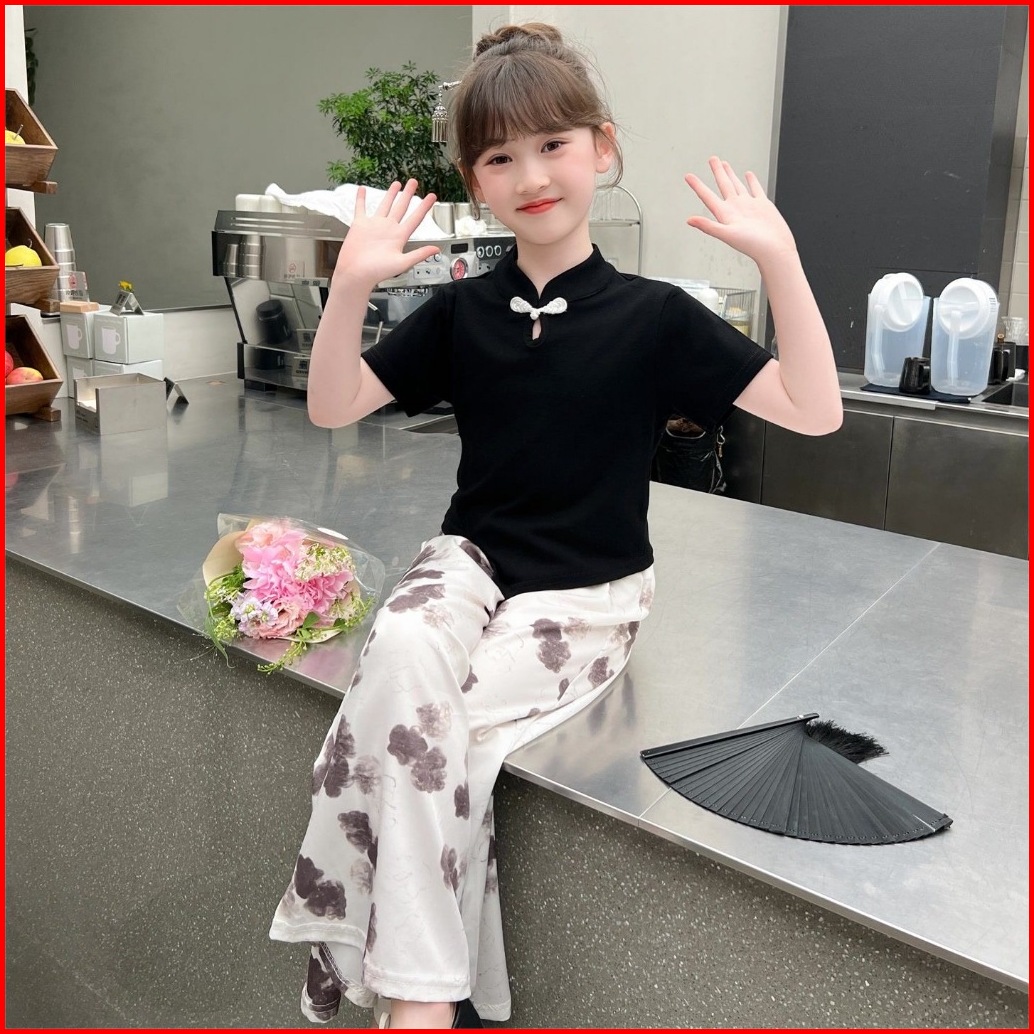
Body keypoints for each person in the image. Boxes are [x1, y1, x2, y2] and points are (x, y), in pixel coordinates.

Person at [269, 22, 842, 1030]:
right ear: (473, 181)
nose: (531, 175)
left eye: (552, 145)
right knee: (399, 651)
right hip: (469, 560)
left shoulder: (655, 317)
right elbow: (331, 404)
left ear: (600, 148)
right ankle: (432, 990)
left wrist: (781, 259)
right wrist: (351, 282)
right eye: (499, 157)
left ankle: (408, 993)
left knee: (418, 733)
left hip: (588, 592)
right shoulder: (462, 313)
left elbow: (813, 408)